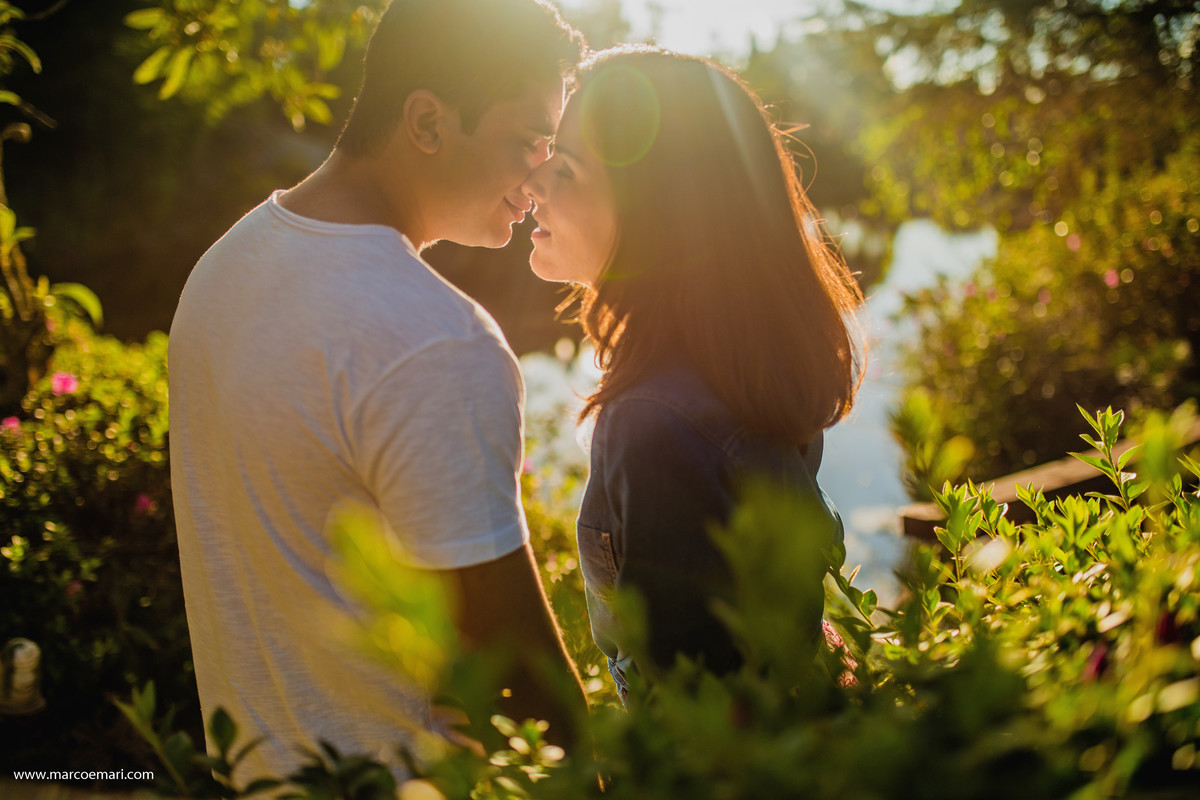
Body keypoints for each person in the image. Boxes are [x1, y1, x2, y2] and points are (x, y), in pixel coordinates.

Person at [168, 0, 587, 779]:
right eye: (529, 141)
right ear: (427, 122)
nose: (543, 175)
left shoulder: (222, 266)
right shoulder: (437, 342)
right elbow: (523, 680)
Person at [521, 48, 863, 700]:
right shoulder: (742, 367)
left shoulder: (652, 422)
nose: (534, 184)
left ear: (656, 214)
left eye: (564, 169)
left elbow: (699, 712)